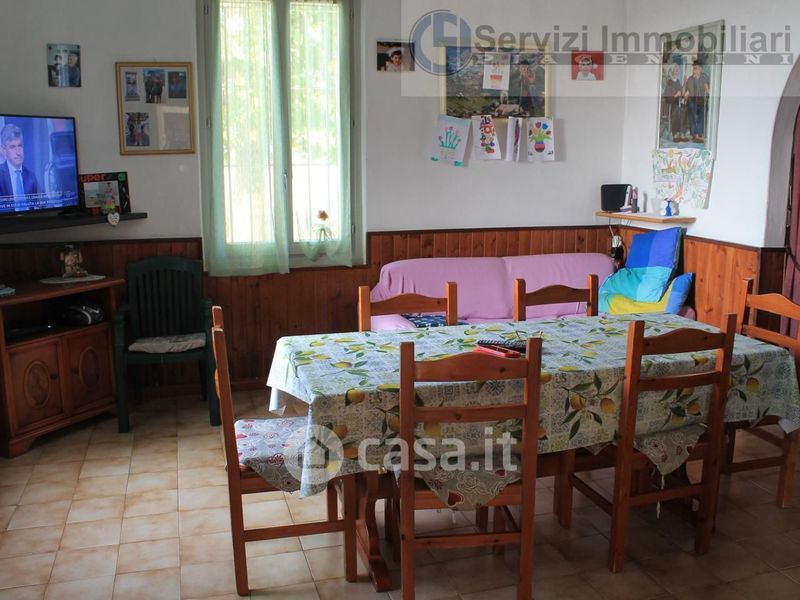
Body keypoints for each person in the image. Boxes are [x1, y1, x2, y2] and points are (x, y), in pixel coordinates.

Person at [0, 124, 39, 211]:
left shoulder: (31, 176)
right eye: (12, 147)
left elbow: (38, 204)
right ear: (3, 150)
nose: (18, 153)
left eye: (20, 146)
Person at [683, 60, 710, 143]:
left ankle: (699, 134)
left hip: (702, 101)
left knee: (703, 110)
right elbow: (687, 92)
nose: (694, 70)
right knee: (691, 108)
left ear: (700, 69)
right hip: (692, 101)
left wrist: (707, 89)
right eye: (693, 68)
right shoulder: (690, 79)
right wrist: (686, 93)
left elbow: (708, 92)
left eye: (696, 68)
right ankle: (695, 134)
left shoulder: (704, 78)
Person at [662, 63, 687, 142]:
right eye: (675, 70)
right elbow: (667, 97)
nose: (676, 72)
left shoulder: (678, 81)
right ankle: (675, 133)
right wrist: (675, 95)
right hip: (671, 104)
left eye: (677, 71)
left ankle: (682, 132)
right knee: (676, 110)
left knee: (684, 109)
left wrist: (684, 83)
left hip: (678, 102)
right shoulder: (669, 82)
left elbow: (681, 93)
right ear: (672, 71)